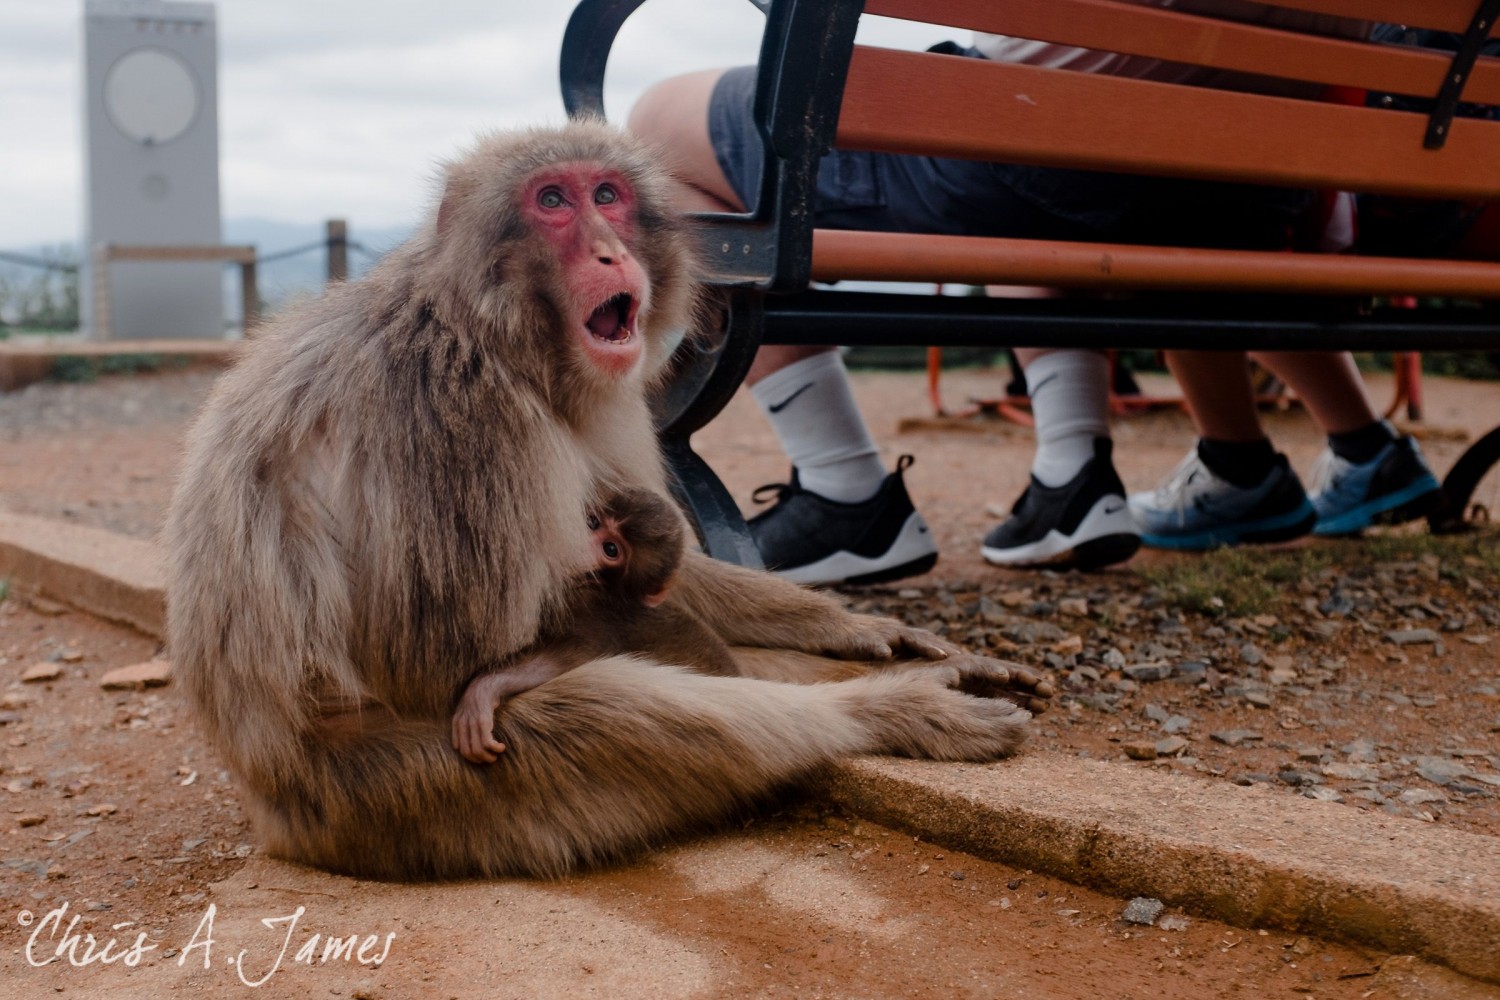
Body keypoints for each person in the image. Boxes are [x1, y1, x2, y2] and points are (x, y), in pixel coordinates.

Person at [627, 5, 1374, 584]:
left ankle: (840, 489)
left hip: (1045, 149)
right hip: (1247, 193)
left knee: (659, 118)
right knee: (1036, 148)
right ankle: (1071, 478)